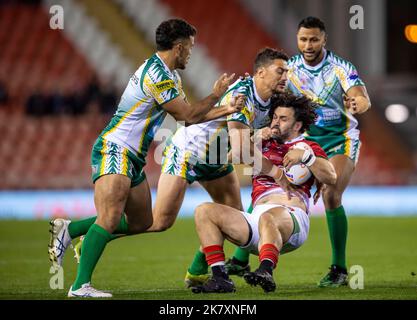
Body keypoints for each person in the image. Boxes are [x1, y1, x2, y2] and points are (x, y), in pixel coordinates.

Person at [48, 18, 244, 298]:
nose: (191, 52)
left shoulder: (169, 75)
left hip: (134, 157)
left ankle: (70, 229)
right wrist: (216, 95)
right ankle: (80, 286)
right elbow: (187, 116)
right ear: (178, 48)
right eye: (189, 47)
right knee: (110, 218)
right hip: (116, 148)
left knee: (142, 221)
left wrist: (225, 109)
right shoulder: (158, 75)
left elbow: (189, 118)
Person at [226, 17, 372, 287]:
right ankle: (239, 258)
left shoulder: (340, 68)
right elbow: (274, 93)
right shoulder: (289, 69)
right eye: (303, 39)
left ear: (324, 40)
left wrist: (358, 102)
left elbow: (360, 96)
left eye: (314, 39)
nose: (308, 44)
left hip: (338, 139)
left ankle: (339, 268)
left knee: (330, 193)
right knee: (265, 181)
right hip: (301, 137)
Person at [146, 48, 289, 287]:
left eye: (287, 72)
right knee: (160, 222)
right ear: (261, 73)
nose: (285, 77)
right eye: (280, 71)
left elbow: (237, 146)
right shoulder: (244, 94)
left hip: (216, 159)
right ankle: (100, 229)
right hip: (187, 153)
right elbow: (242, 150)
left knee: (234, 222)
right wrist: (276, 173)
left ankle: (197, 272)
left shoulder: (273, 99)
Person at [190, 93, 337, 293]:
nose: (276, 123)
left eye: (283, 119)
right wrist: (255, 137)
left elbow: (331, 176)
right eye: (274, 117)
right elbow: (228, 158)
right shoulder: (263, 143)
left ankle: (266, 270)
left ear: (297, 126)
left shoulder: (308, 147)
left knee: (269, 217)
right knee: (204, 211)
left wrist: (306, 157)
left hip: (291, 219)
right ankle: (220, 278)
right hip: (256, 220)